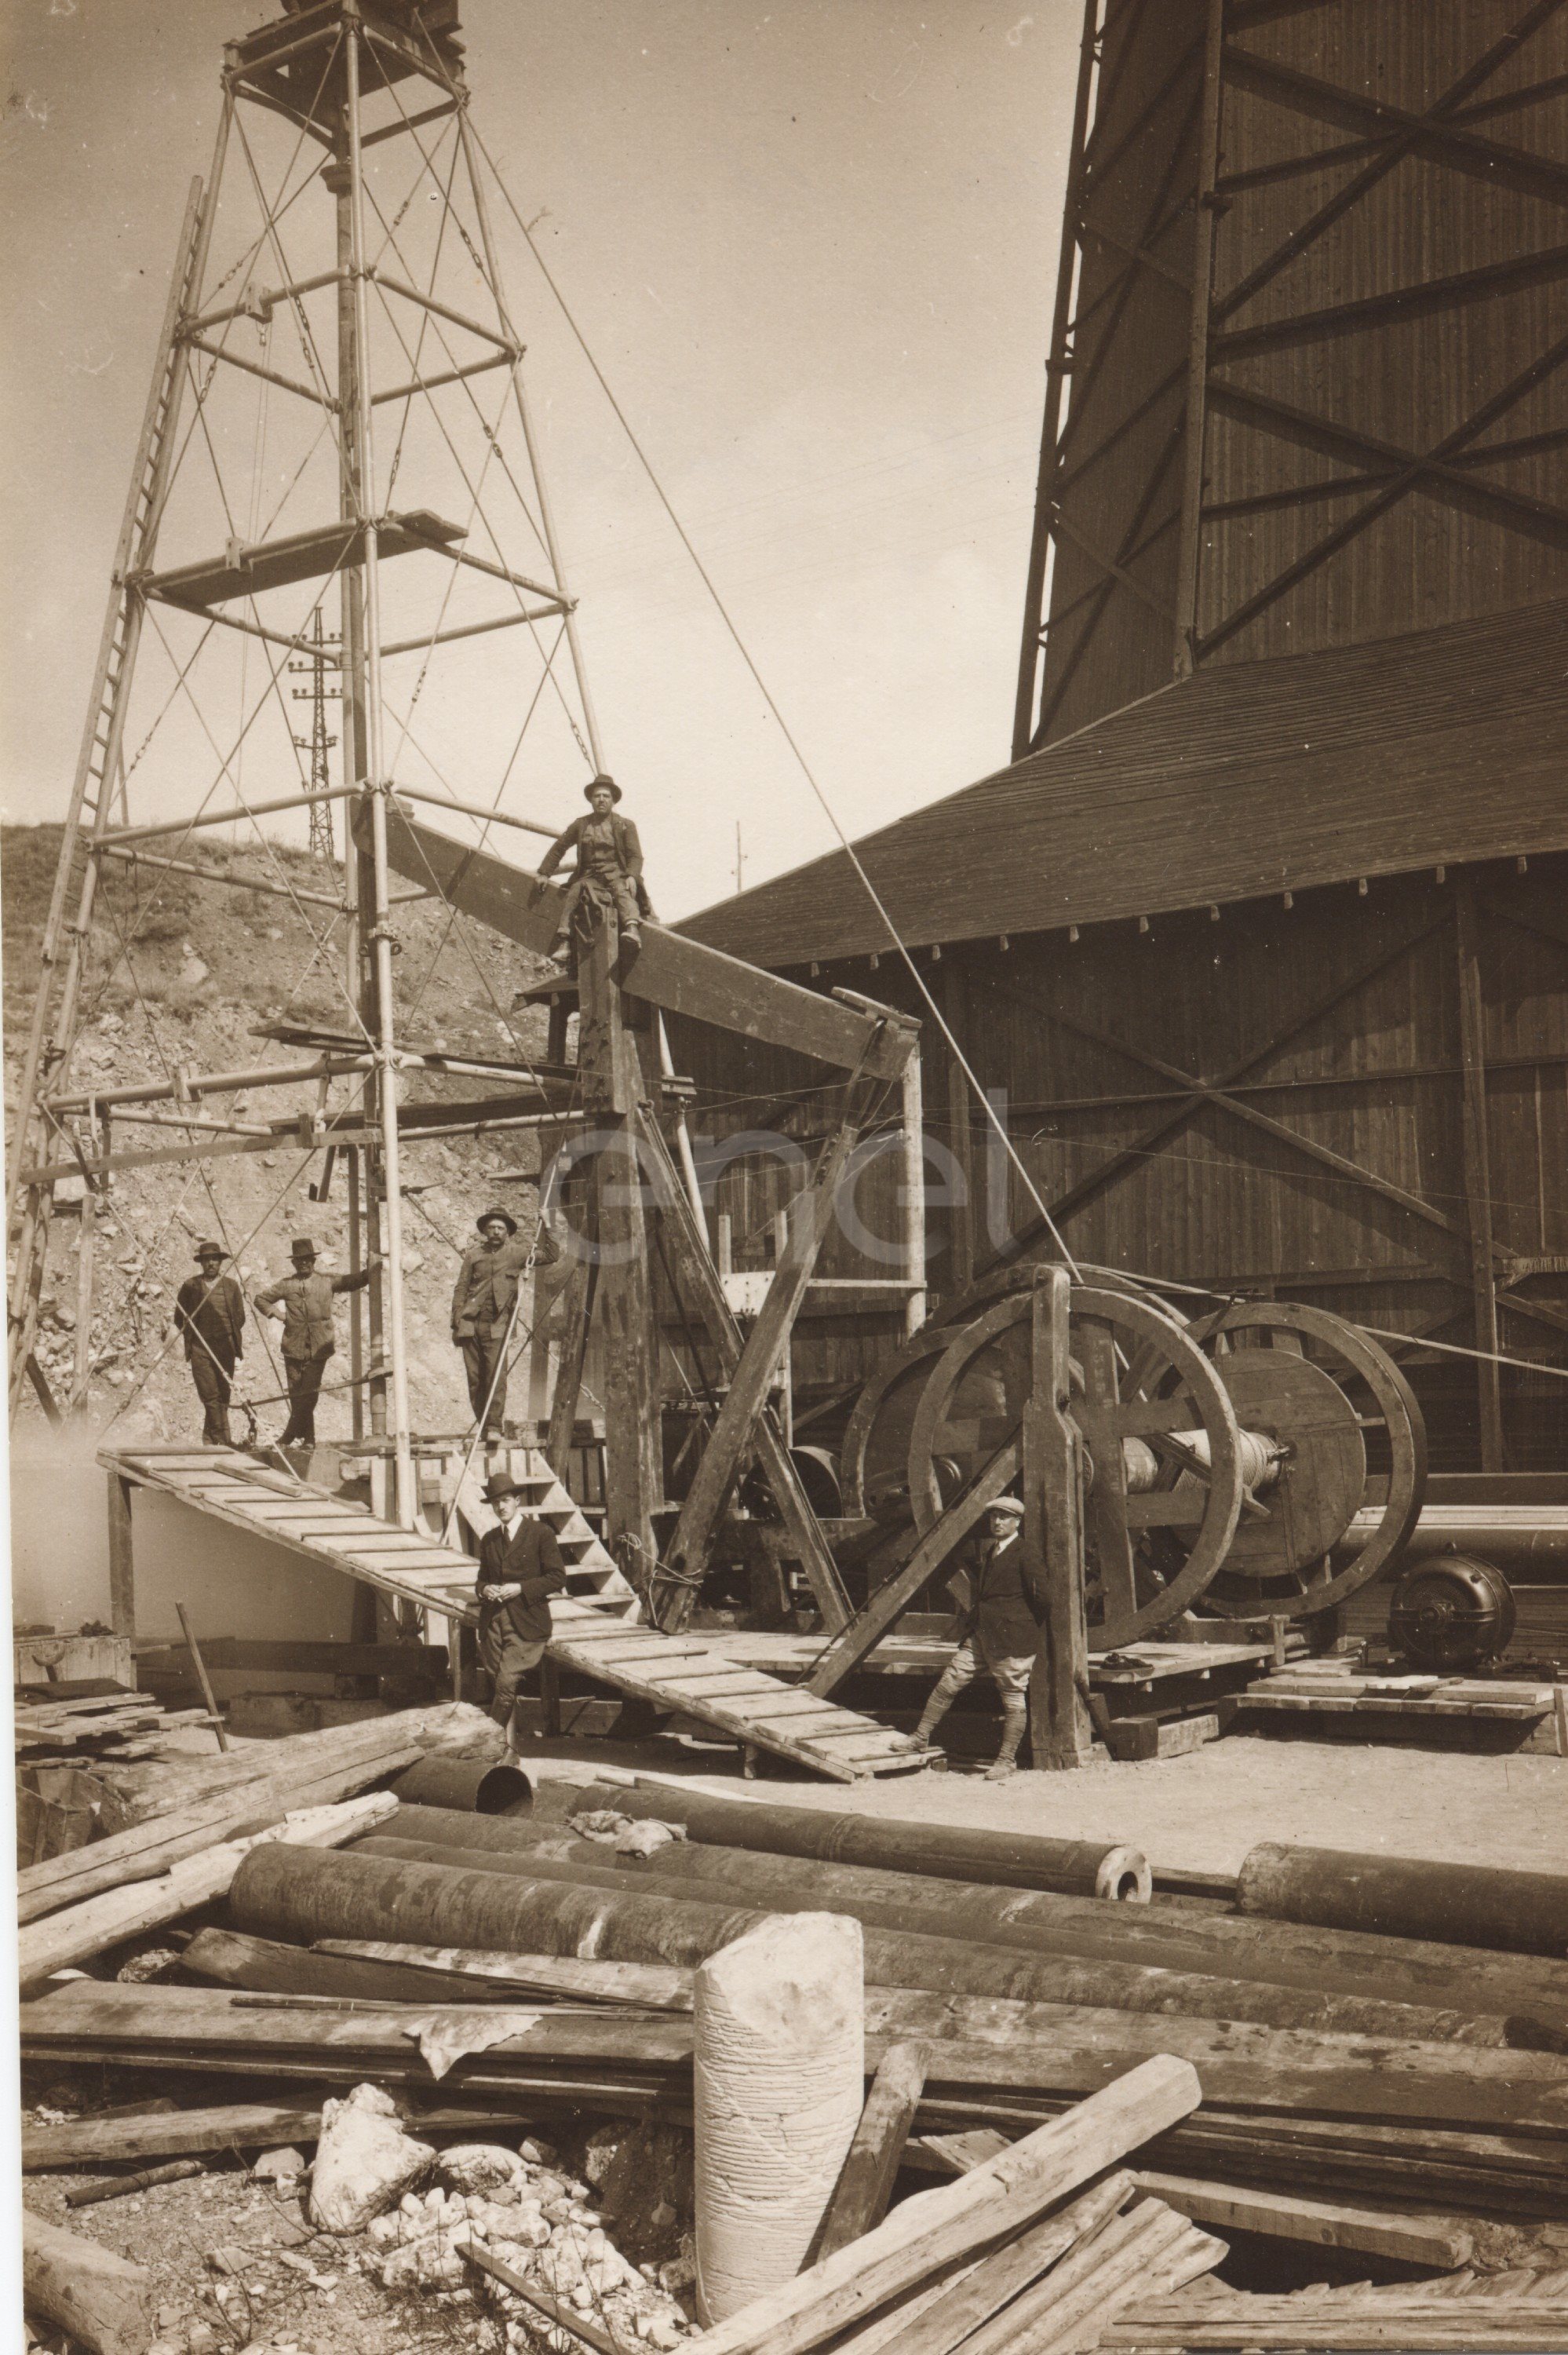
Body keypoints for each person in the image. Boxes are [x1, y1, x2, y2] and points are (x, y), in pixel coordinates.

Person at [906, 1494, 1048, 1779]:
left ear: (1017, 1521)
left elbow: (1044, 1599)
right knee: (949, 1681)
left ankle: (1006, 1761)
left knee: (1012, 1698)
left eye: (1003, 1517)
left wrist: (1017, 1625)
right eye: (993, 1517)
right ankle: (920, 1737)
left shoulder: (1026, 1553)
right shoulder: (992, 1551)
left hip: (1011, 1639)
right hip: (982, 1634)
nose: (996, 1522)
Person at [255, 1238, 376, 1464]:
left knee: (308, 1392)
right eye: (299, 1261)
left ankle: (289, 1434)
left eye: (307, 1260)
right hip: (293, 1346)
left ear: (313, 1260)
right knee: (296, 1393)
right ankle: (309, 1438)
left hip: (320, 1347)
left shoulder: (326, 1282)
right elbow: (260, 1299)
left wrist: (369, 1269)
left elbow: (354, 1281)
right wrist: (277, 1314)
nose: (303, 1264)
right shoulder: (286, 1285)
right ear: (294, 1263)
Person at [475, 1470, 567, 1752]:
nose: (500, 1507)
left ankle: (486, 1747)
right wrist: (485, 1589)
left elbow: (557, 1577)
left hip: (527, 1620)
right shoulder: (489, 1539)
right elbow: (481, 1578)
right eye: (495, 1503)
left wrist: (521, 1588)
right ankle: (506, 1747)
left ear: (517, 1501)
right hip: (494, 1621)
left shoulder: (540, 1533)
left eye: (505, 1500)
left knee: (505, 1682)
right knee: (498, 1681)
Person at [450, 1207, 556, 1437]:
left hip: (497, 1324)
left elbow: (551, 1255)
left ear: (507, 1232)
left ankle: (494, 1427)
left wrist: (547, 1224)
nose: (496, 1231)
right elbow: (460, 1289)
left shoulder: (518, 1254)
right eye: (492, 1228)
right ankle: (483, 1425)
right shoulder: (473, 1256)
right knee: (475, 1380)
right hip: (470, 1324)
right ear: (485, 1231)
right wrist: (456, 1322)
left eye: (500, 1228)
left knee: (496, 1376)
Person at [538, 774, 651, 958]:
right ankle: (564, 943)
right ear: (591, 800)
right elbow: (560, 847)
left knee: (623, 890)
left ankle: (632, 930)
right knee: (574, 892)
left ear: (613, 800)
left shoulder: (625, 825)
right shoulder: (581, 824)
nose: (601, 800)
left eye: (606, 796)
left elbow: (635, 856)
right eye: (597, 796)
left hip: (616, 873)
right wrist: (544, 873)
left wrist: (631, 875)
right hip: (589, 875)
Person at [173, 1241, 246, 1445]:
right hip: (200, 1349)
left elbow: (240, 1317)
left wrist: (225, 1335)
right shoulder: (190, 1286)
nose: (211, 1264)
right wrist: (194, 1331)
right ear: (202, 1263)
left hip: (226, 1348)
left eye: (215, 1259)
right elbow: (179, 1318)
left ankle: (209, 1440)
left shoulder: (231, 1286)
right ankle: (224, 1440)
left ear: (220, 1262)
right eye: (207, 1260)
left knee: (223, 1395)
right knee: (210, 1395)